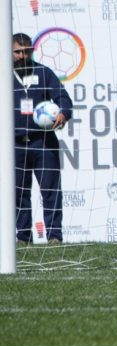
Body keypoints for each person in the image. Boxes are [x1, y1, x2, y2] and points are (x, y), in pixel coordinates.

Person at [13, 32, 72, 246]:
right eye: (17, 51)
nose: (22, 55)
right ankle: (23, 238)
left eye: (26, 51)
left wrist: (64, 112)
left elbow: (63, 98)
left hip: (43, 143)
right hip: (14, 145)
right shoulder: (4, 75)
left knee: (51, 191)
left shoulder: (44, 73)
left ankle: (54, 236)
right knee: (19, 194)